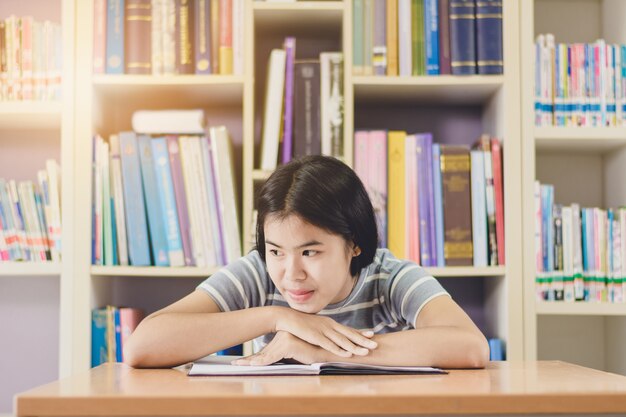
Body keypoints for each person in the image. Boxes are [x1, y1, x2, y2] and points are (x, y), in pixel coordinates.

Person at [124, 155, 489, 369]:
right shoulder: (259, 272)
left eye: (311, 252)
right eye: (276, 251)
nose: (291, 274)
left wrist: (320, 352)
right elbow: (143, 346)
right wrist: (278, 317)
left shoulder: (389, 278)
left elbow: (471, 348)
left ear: (354, 244)